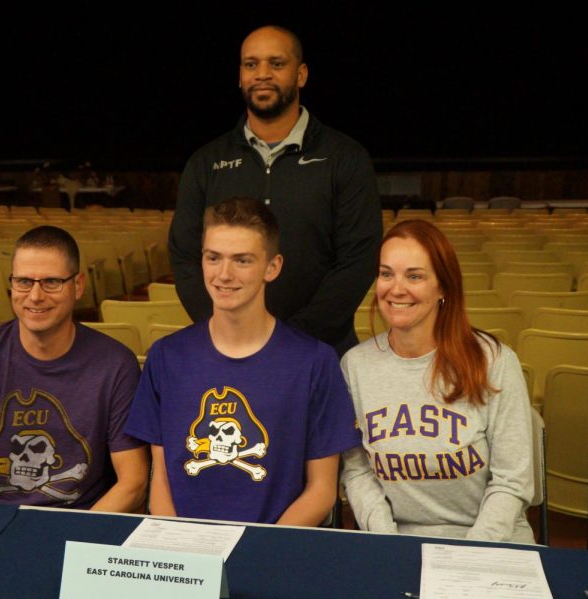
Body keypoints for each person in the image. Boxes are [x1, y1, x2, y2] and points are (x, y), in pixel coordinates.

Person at [126, 197, 360, 525]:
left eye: (242, 260)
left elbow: (321, 489)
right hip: (185, 556)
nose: (224, 274)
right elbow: (161, 477)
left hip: (273, 552)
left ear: (272, 267)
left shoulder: (314, 362)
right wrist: (176, 549)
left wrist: (260, 552)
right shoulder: (166, 357)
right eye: (213, 258)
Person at [169, 25, 382, 356]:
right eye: (251, 64)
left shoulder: (346, 158)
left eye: (276, 64)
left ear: (301, 75)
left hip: (323, 350)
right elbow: (184, 256)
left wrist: (292, 339)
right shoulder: (206, 162)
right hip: (229, 350)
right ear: (240, 76)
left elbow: (358, 260)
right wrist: (231, 330)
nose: (262, 74)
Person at [0, 225, 149, 511]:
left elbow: (133, 482)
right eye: (23, 281)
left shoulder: (115, 365)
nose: (35, 296)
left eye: (51, 282)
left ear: (78, 286)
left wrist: (73, 544)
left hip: (81, 525)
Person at [341, 220, 535, 543]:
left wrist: (468, 555)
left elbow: (512, 481)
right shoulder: (355, 366)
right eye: (386, 273)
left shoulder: (495, 361)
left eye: (414, 276)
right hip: (397, 540)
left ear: (443, 287)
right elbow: (358, 470)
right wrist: (387, 542)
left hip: (491, 541)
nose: (396, 288)